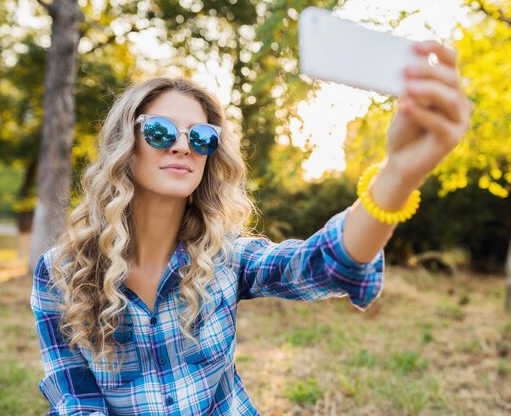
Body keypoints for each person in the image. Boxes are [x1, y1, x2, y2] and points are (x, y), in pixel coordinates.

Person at [30, 40, 470, 415]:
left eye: (202, 137)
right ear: (125, 145)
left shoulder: (226, 256)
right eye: (162, 132)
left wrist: (398, 174)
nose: (184, 146)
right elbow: (77, 401)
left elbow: (323, 265)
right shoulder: (59, 273)